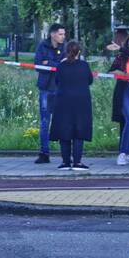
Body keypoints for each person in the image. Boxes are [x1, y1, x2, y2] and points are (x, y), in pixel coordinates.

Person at [50, 40, 94, 171]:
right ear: (79, 52)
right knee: (79, 131)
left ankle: (65, 162)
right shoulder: (84, 66)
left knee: (64, 131)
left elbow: (57, 81)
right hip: (81, 102)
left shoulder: (61, 66)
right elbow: (90, 80)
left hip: (63, 102)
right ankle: (78, 162)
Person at [34, 23, 66, 163]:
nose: (63, 37)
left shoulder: (65, 47)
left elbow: (66, 65)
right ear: (52, 34)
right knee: (45, 121)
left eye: (64, 34)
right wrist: (56, 64)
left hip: (61, 88)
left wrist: (49, 63)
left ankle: (65, 152)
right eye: (60, 34)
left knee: (63, 121)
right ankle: (44, 153)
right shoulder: (42, 46)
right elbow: (38, 65)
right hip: (46, 88)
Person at [110, 34, 129, 165]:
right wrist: (123, 74)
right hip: (124, 91)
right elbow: (111, 71)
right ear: (128, 43)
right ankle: (122, 153)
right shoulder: (121, 56)